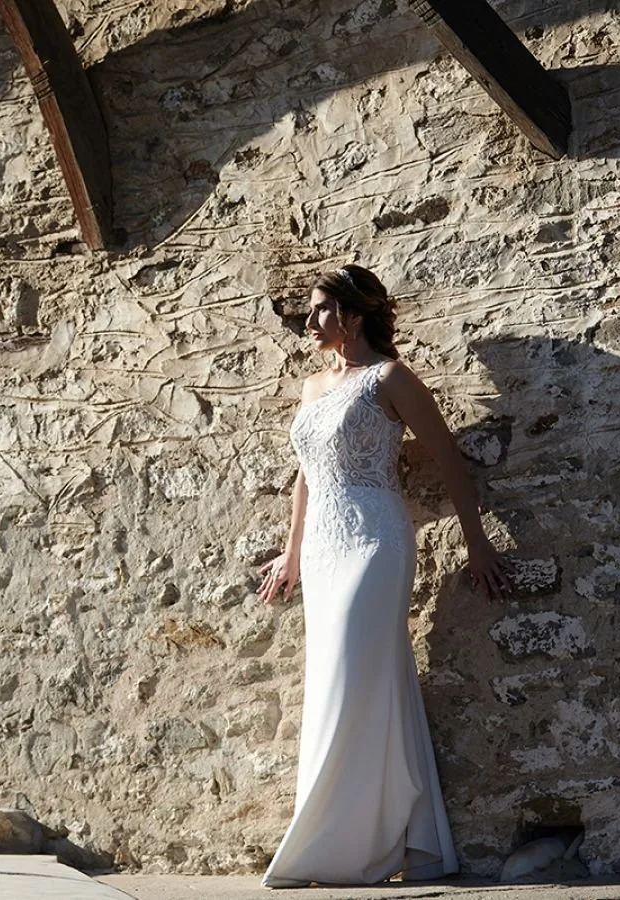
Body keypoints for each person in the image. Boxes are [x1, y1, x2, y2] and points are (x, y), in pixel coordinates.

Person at [256, 265, 508, 887]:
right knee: (344, 684)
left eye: (318, 310)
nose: (308, 322)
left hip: (375, 540)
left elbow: (448, 461)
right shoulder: (314, 388)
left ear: (353, 315)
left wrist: (477, 546)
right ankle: (390, 838)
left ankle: (342, 847)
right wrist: (291, 555)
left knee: (353, 676)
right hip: (321, 549)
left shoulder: (390, 379)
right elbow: (307, 474)